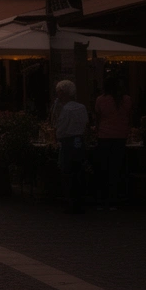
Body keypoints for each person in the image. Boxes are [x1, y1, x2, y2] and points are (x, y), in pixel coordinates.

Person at [93, 76, 132, 211]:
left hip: (104, 136)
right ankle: (114, 199)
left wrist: (97, 131)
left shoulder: (101, 100)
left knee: (103, 169)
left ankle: (102, 199)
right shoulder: (126, 100)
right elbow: (129, 116)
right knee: (116, 169)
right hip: (121, 136)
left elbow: (98, 118)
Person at [52, 79, 89, 215]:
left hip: (67, 142)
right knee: (79, 171)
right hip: (79, 141)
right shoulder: (82, 107)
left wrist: (57, 136)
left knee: (67, 173)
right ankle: (79, 201)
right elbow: (85, 124)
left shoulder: (66, 109)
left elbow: (60, 128)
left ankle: (70, 202)